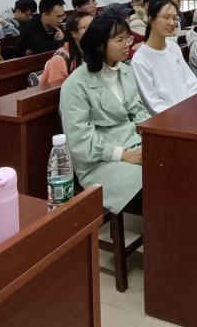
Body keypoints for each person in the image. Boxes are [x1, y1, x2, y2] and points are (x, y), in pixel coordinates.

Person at [58, 15, 150, 214]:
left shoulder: (125, 70)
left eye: (127, 38)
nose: (127, 44)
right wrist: (123, 155)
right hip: (100, 163)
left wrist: (152, 138)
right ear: (100, 45)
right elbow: (80, 142)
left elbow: (139, 111)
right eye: (119, 40)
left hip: (134, 145)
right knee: (160, 185)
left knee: (177, 166)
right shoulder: (75, 85)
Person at [131, 0, 197, 114]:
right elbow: (152, 104)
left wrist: (193, 107)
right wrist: (181, 114)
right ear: (150, 19)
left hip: (190, 110)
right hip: (168, 119)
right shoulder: (140, 60)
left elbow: (191, 82)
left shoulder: (174, 47)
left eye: (175, 18)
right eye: (166, 17)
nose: (172, 23)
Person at [41, 11, 94, 87]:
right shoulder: (59, 59)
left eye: (94, 27)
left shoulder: (95, 51)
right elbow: (56, 91)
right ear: (73, 33)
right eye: (87, 27)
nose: (93, 31)